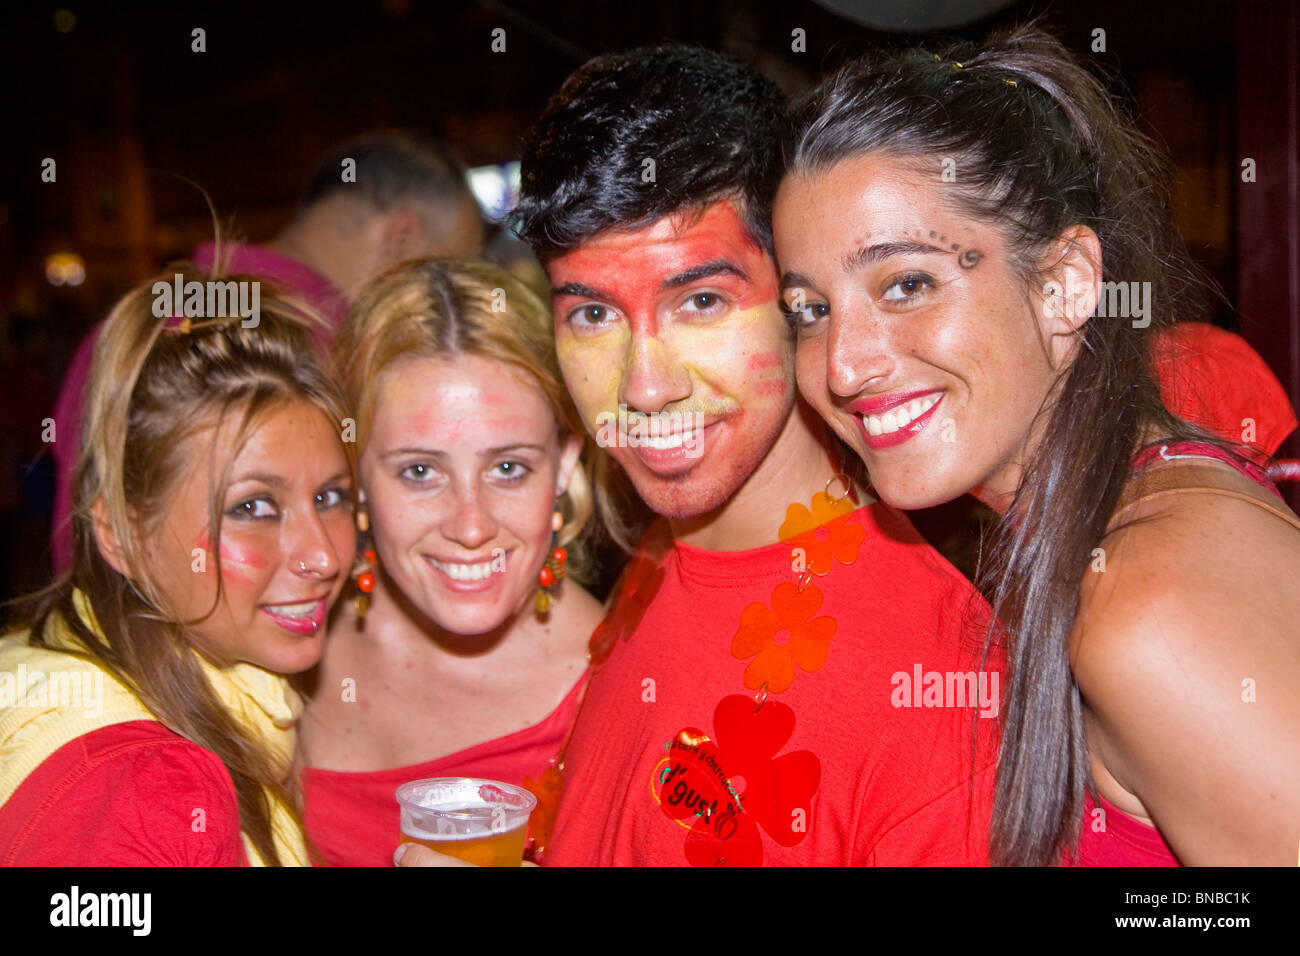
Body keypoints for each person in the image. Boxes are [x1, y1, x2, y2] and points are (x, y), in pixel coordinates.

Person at [449, 43, 1002, 868]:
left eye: (701, 301)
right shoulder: (658, 558)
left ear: (797, 296)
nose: (643, 388)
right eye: (593, 314)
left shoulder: (942, 691)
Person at [773, 24, 1300, 865]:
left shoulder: (1149, 612)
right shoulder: (1104, 525)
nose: (842, 366)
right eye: (810, 310)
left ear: (1066, 285)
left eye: (907, 284)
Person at [0, 264, 357, 865]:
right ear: (120, 534)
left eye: (330, 497)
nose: (323, 555)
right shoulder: (146, 789)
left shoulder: (65, 655)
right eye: (253, 507)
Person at [49, 131, 485, 572]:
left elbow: (74, 536)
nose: (444, 303)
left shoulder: (127, 327)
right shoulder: (330, 354)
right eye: (444, 271)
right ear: (403, 238)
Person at [297, 259, 605, 866]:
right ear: (354, 472)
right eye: (420, 471)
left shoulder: (618, 690)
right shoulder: (285, 645)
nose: (471, 526)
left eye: (508, 468)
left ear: (565, 464)